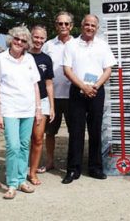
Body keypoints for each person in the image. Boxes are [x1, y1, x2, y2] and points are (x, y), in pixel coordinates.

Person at [61, 14, 116, 184]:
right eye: (87, 25)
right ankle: (73, 169)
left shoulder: (103, 45)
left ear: (97, 28)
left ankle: (95, 168)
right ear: (81, 25)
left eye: (93, 25)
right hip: (77, 90)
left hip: (96, 91)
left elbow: (108, 69)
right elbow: (67, 70)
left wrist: (95, 86)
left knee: (95, 131)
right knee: (76, 131)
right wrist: (83, 87)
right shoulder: (71, 45)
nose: (90, 28)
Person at [0, 26, 42, 199]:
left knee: (25, 145)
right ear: (10, 39)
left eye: (23, 40)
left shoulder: (29, 60)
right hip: (9, 109)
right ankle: (11, 183)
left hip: (27, 109)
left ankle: (21, 180)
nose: (19, 42)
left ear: (27, 44)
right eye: (16, 39)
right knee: (13, 146)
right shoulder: (0, 59)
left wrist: (38, 109)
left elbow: (35, 85)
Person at [41, 11, 74, 172]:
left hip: (72, 96)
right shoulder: (48, 45)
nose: (63, 26)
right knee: (50, 132)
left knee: (73, 131)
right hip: (52, 96)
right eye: (60, 23)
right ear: (55, 25)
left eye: (66, 23)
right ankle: (50, 161)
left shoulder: (77, 44)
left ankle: (72, 163)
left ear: (71, 26)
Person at [28, 25, 55, 185]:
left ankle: (33, 172)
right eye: (35, 37)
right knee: (24, 140)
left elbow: (49, 84)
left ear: (45, 40)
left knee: (38, 138)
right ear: (31, 37)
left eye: (41, 38)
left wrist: (51, 106)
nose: (38, 40)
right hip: (24, 101)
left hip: (43, 101)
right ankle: (20, 170)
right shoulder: (22, 55)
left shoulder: (46, 59)